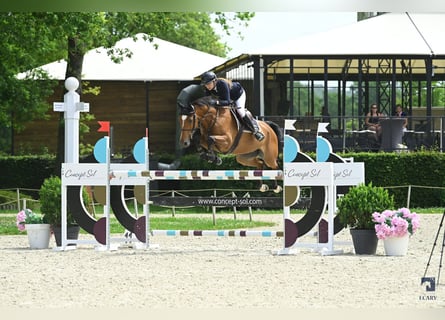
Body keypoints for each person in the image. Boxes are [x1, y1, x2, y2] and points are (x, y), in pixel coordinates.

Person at [200, 71, 265, 141]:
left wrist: (216, 102)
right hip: (226, 98)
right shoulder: (207, 88)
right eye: (205, 84)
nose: (207, 86)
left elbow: (227, 102)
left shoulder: (222, 84)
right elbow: (207, 100)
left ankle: (255, 131)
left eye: (209, 83)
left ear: (214, 81)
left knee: (240, 111)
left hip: (238, 95)